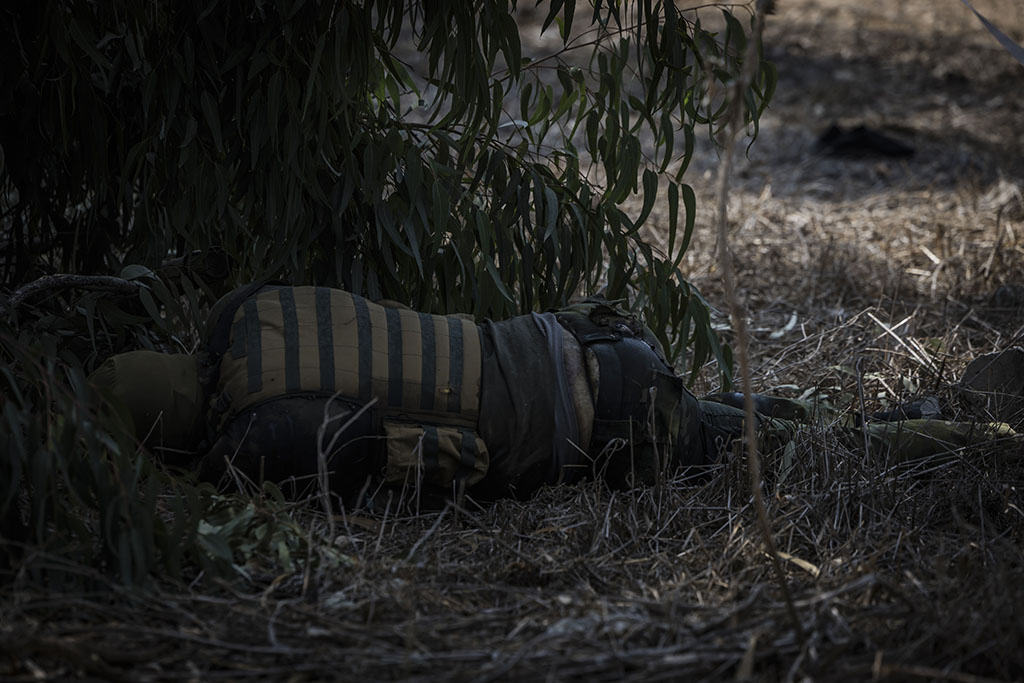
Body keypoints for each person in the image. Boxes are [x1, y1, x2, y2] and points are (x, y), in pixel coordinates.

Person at [89, 283, 1018, 506]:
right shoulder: (251, 313)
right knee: (744, 424)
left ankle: (973, 447)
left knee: (793, 458)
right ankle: (940, 414)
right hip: (582, 341)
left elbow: (419, 458)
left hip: (591, 420)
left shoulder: (260, 433)